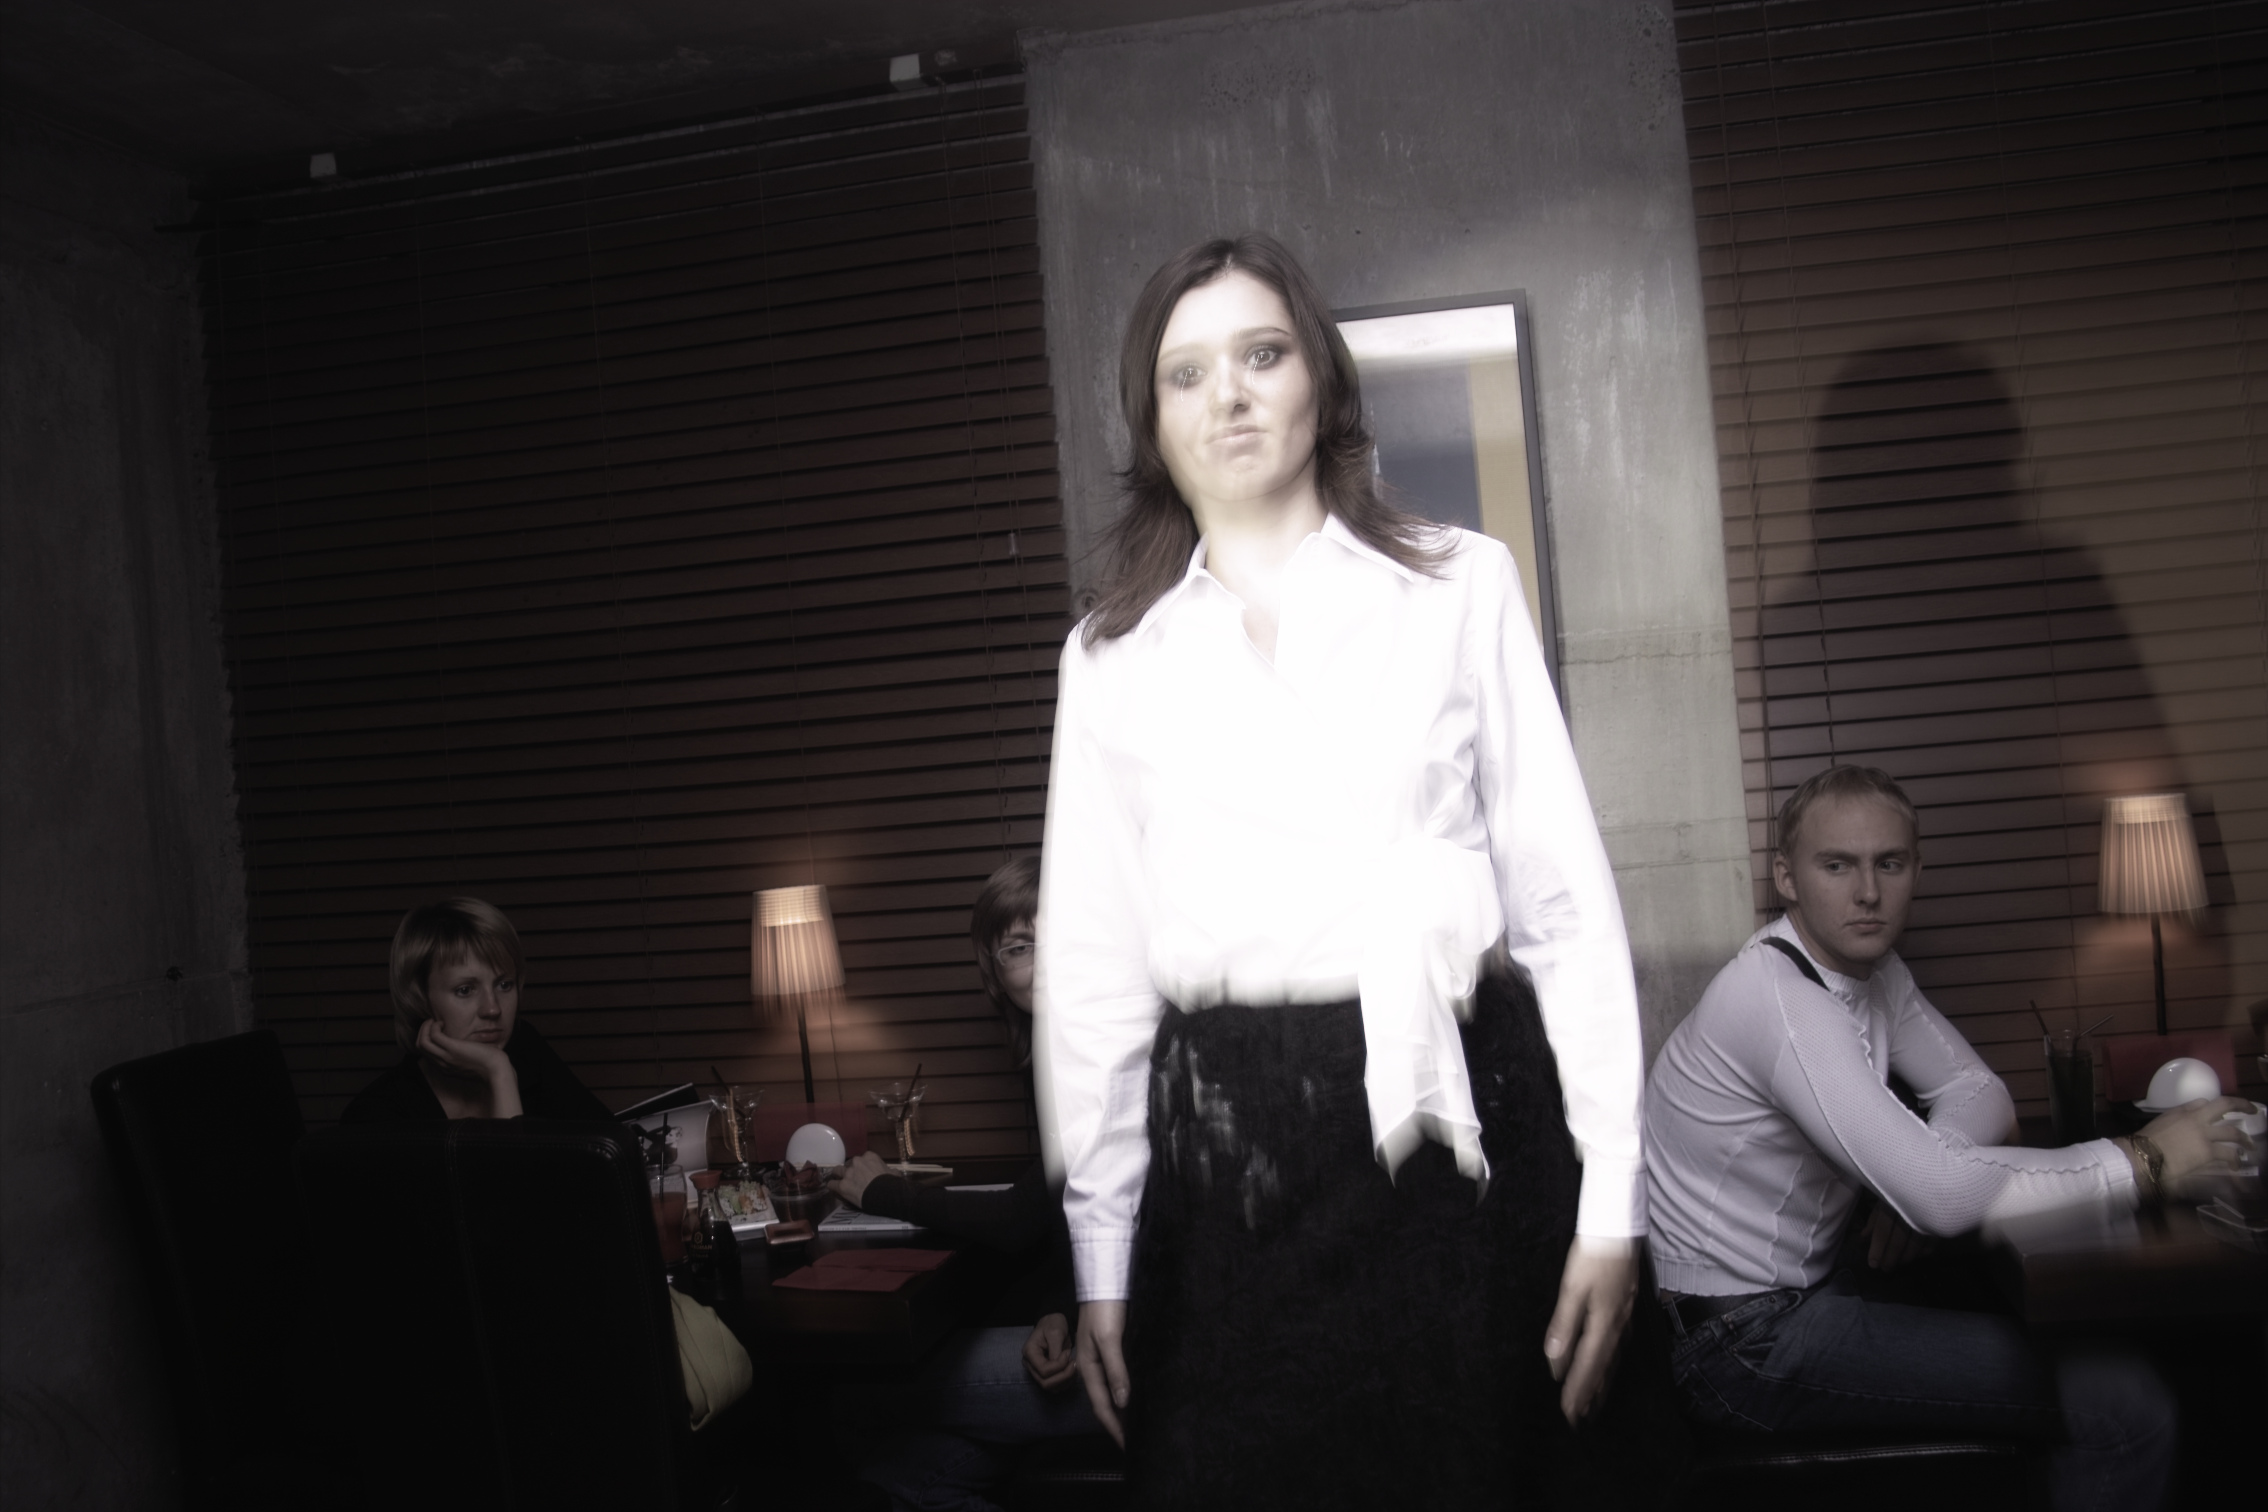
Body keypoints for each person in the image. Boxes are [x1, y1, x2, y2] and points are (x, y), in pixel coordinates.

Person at [1035, 233, 1648, 1509]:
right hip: (1231, 1160)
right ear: (1153, 418)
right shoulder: (1111, 658)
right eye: (1187, 371)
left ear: (1321, 378)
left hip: (1465, 1133)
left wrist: (1612, 1205)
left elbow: (1564, 910)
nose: (1230, 395)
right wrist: (1100, 1257)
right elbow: (1093, 979)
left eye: (1262, 354)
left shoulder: (1459, 584)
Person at [1644, 764, 2258, 1512]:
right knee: (2125, 1403)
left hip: (1804, 1298)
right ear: (1786, 878)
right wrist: (2147, 1159)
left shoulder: (1874, 973)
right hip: (1741, 1347)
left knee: (2146, 1355)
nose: (1867, 892)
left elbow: (1980, 1094)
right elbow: (1940, 1195)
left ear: (1917, 869)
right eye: (1836, 865)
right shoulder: (1776, 998)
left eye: (1889, 864)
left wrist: (1917, 1181)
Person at [832, 856, 1101, 1511]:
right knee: (902, 1475)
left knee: (862, 1385)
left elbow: (1018, 1222)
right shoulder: (1057, 1056)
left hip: (1153, 1359)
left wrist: (881, 1191)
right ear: (994, 972)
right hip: (1101, 1329)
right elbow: (1078, 1215)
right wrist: (1058, 1311)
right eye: (1020, 946)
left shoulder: (1104, 1055)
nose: (1045, 961)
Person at [342, 896, 614, 1125]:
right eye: (465, 990)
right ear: (420, 998)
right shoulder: (378, 1115)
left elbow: (616, 1149)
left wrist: (499, 1071)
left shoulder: (527, 1051)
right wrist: (499, 1071)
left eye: (504, 985)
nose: (493, 1009)